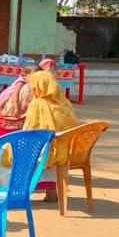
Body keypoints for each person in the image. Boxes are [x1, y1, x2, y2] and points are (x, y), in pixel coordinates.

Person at [15, 70, 80, 200]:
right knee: (48, 147)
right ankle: (51, 188)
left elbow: (29, 131)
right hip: (70, 150)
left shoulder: (37, 104)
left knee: (6, 153)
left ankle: (17, 190)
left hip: (50, 151)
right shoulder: (64, 101)